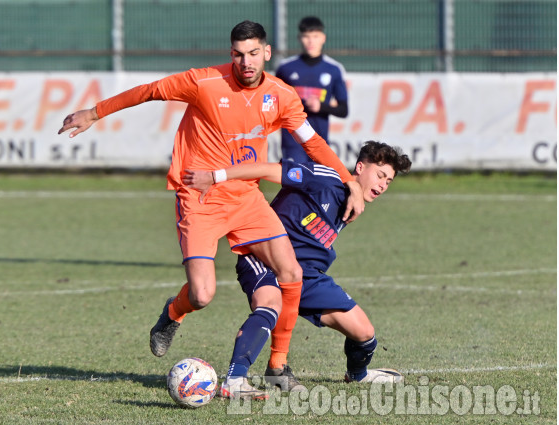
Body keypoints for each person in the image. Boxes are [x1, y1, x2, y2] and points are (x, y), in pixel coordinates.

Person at [58, 21, 365, 398]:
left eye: (253, 54)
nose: (245, 62)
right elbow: (149, 91)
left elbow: (312, 142)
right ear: (230, 53)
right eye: (238, 54)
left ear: (266, 53)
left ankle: (277, 366)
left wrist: (348, 180)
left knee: (291, 273)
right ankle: (173, 313)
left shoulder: (281, 96)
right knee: (202, 294)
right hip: (200, 198)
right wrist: (95, 112)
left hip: (246, 199)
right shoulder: (204, 82)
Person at [183, 141, 411, 398]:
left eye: (388, 182)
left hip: (308, 275)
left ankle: (358, 375)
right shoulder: (324, 177)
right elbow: (268, 170)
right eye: (380, 175)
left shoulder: (354, 203)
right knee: (269, 306)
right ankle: (235, 380)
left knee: (365, 335)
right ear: (360, 167)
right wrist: (215, 176)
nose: (382, 185)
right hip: (265, 256)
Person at [276, 16, 349, 163]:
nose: (311, 41)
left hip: (319, 141)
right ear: (299, 38)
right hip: (292, 141)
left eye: (315, 36)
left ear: (323, 38)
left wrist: (321, 106)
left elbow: (343, 110)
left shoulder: (334, 69)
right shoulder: (285, 68)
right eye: (306, 36)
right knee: (295, 184)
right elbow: (275, 103)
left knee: (318, 185)